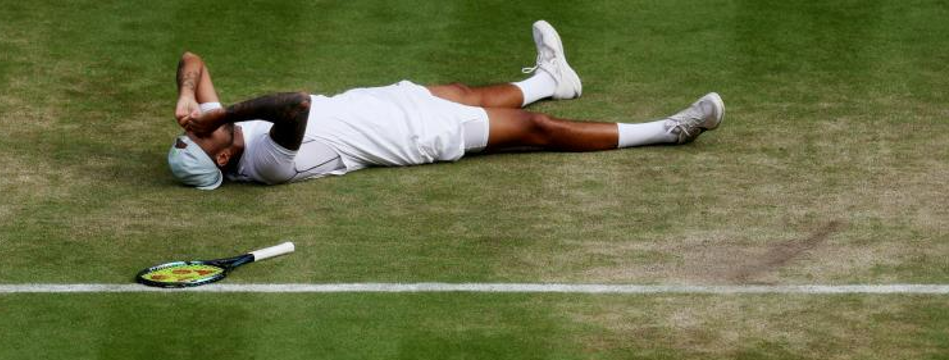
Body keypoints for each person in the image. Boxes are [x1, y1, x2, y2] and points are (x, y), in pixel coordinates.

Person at [168, 21, 725, 190]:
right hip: (415, 137)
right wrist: (221, 113)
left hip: (387, 102)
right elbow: (294, 104)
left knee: (464, 90)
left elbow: (193, 58)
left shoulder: (230, 135)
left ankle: (553, 77)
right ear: (223, 158)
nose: (200, 127)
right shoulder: (265, 164)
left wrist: (189, 95)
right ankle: (670, 129)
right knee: (537, 128)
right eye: (199, 136)